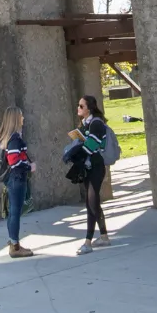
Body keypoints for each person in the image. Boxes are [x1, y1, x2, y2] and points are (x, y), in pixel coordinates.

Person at [69, 95, 112, 255]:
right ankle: (104, 236)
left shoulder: (96, 124)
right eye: (78, 105)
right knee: (92, 202)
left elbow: (90, 147)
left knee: (91, 202)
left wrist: (73, 151)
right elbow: (84, 145)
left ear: (89, 108)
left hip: (96, 166)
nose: (78, 108)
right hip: (88, 166)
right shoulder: (85, 124)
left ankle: (87, 242)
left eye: (81, 106)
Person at [0, 107, 36, 258]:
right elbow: (14, 162)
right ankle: (15, 246)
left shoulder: (7, 137)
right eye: (21, 116)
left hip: (12, 179)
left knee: (13, 211)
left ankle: (13, 242)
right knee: (15, 212)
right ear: (15, 119)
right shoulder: (14, 139)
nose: (23, 118)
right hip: (17, 178)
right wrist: (29, 166)